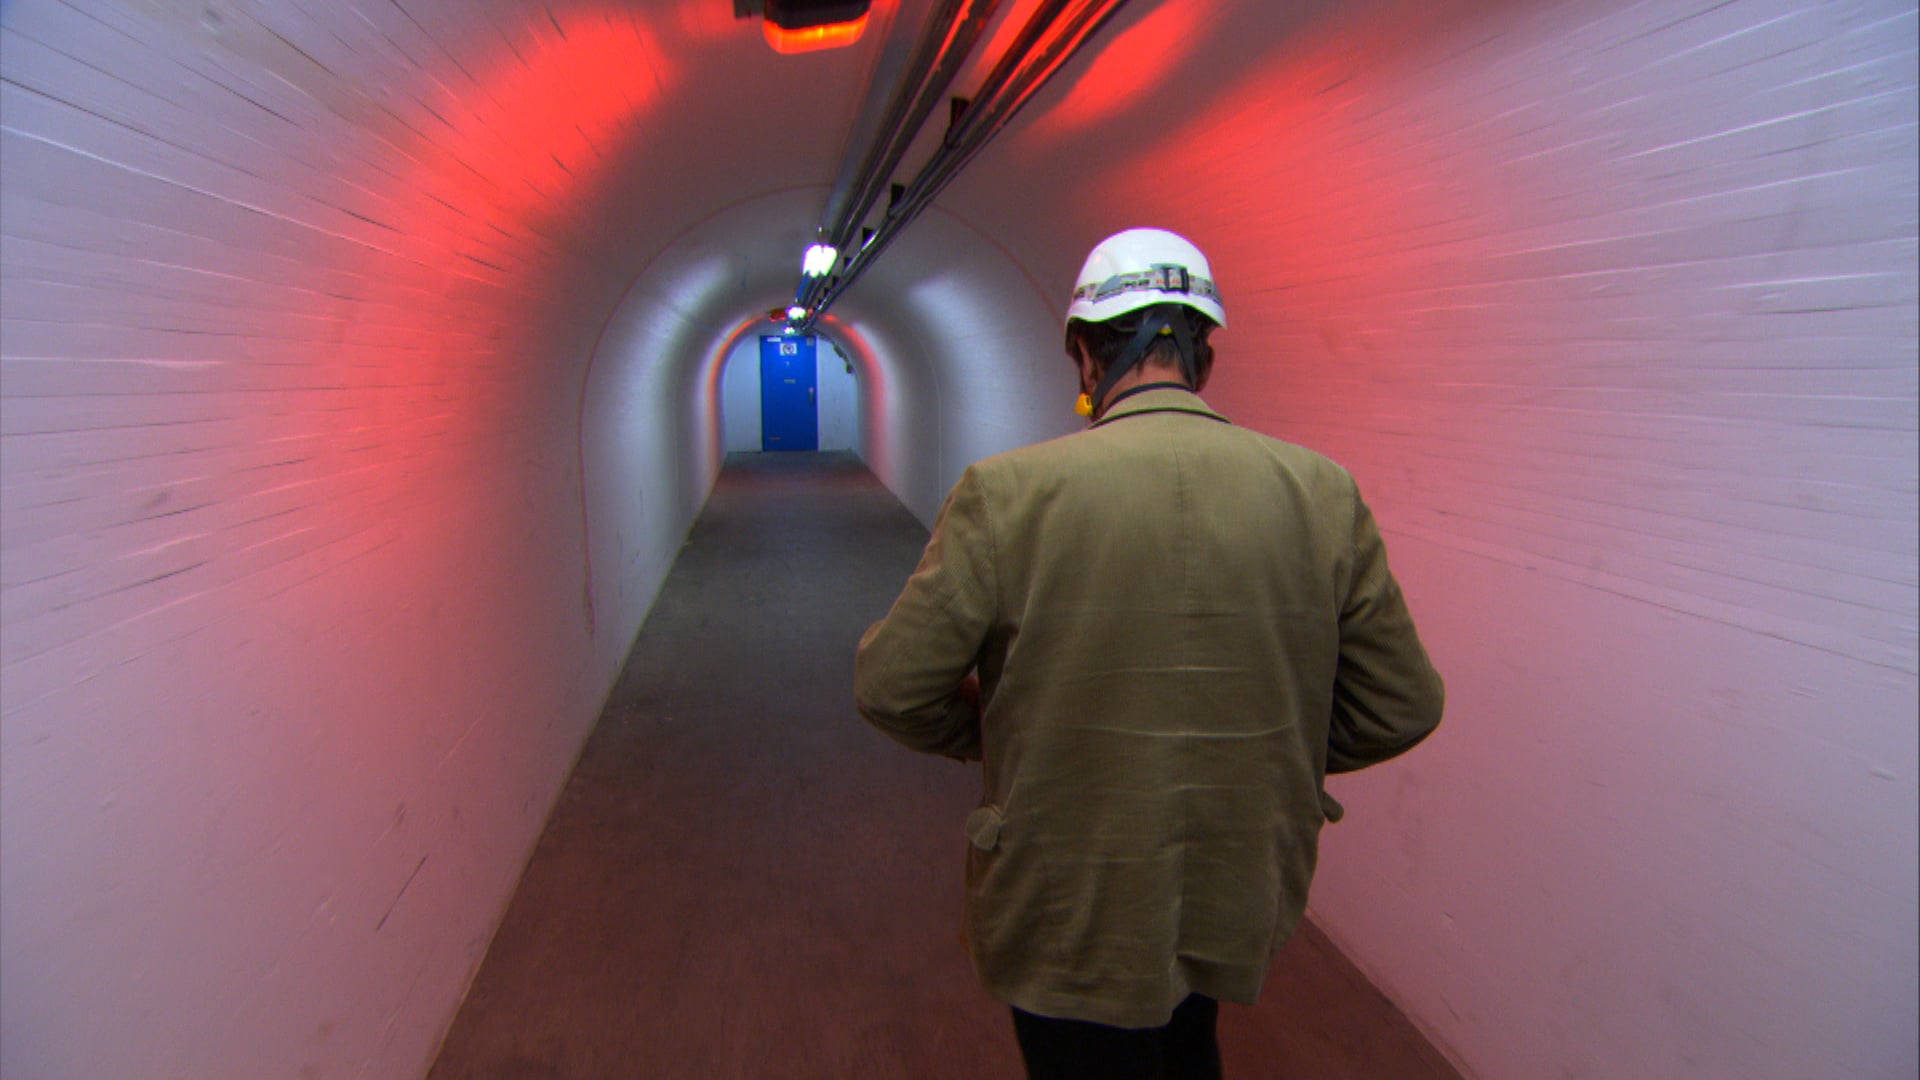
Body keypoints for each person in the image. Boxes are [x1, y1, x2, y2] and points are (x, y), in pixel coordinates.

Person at [853, 227, 1444, 1079]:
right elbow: (1402, 704)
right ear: (1206, 356)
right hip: (1235, 876)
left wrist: (993, 733)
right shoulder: (1322, 492)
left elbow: (893, 686)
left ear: (1085, 356)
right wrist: (1270, 752)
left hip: (1068, 893)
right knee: (1189, 1039)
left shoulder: (1007, 493)